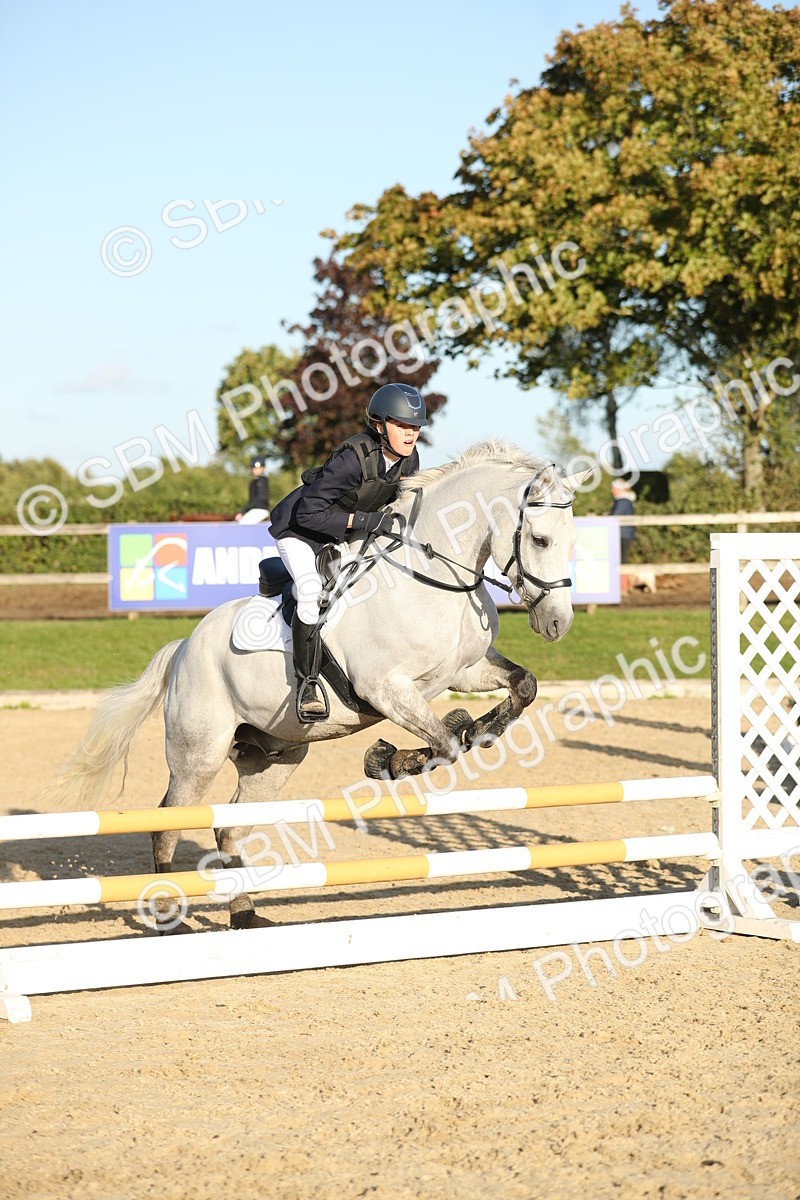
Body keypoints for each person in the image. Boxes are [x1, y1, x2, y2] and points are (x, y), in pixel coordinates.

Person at [269, 382, 426, 722]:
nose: (410, 434)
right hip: (298, 531)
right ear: (379, 425)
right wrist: (366, 519)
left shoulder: (409, 460)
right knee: (311, 592)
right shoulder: (352, 460)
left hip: (340, 532)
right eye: (402, 426)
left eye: (414, 427)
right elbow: (308, 512)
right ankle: (307, 684)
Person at [235, 456, 271, 524]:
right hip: (253, 510)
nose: (256, 470)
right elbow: (251, 500)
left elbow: (259, 499)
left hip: (260, 510)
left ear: (263, 468)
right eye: (255, 468)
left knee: (243, 523)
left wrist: (243, 511)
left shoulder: (262, 480)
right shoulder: (253, 482)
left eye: (259, 468)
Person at [610, 478, 636, 564]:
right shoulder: (623, 501)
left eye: (614, 488)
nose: (612, 491)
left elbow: (615, 515)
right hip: (623, 534)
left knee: (621, 560)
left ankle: (622, 577)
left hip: (622, 534)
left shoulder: (623, 501)